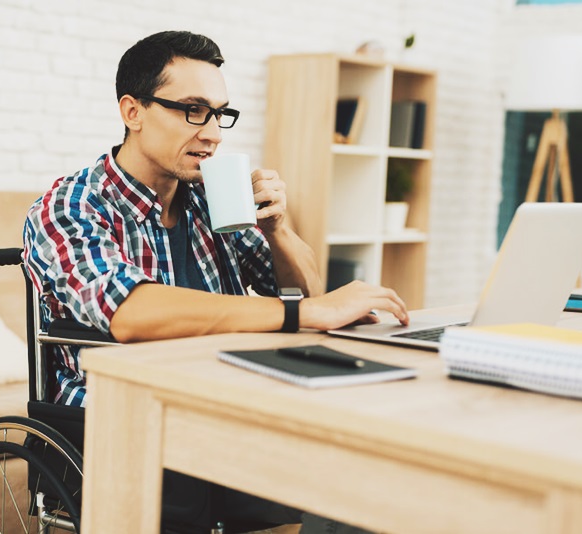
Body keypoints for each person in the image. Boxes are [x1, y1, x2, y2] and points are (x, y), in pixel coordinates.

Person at [23, 30, 408, 534]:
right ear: (132, 111)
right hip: (122, 413)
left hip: (225, 395)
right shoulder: (73, 206)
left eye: (220, 113)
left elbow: (306, 294)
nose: (214, 133)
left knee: (370, 451)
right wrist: (302, 314)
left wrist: (278, 230)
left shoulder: (210, 200)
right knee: (329, 478)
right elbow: (132, 313)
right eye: (192, 110)